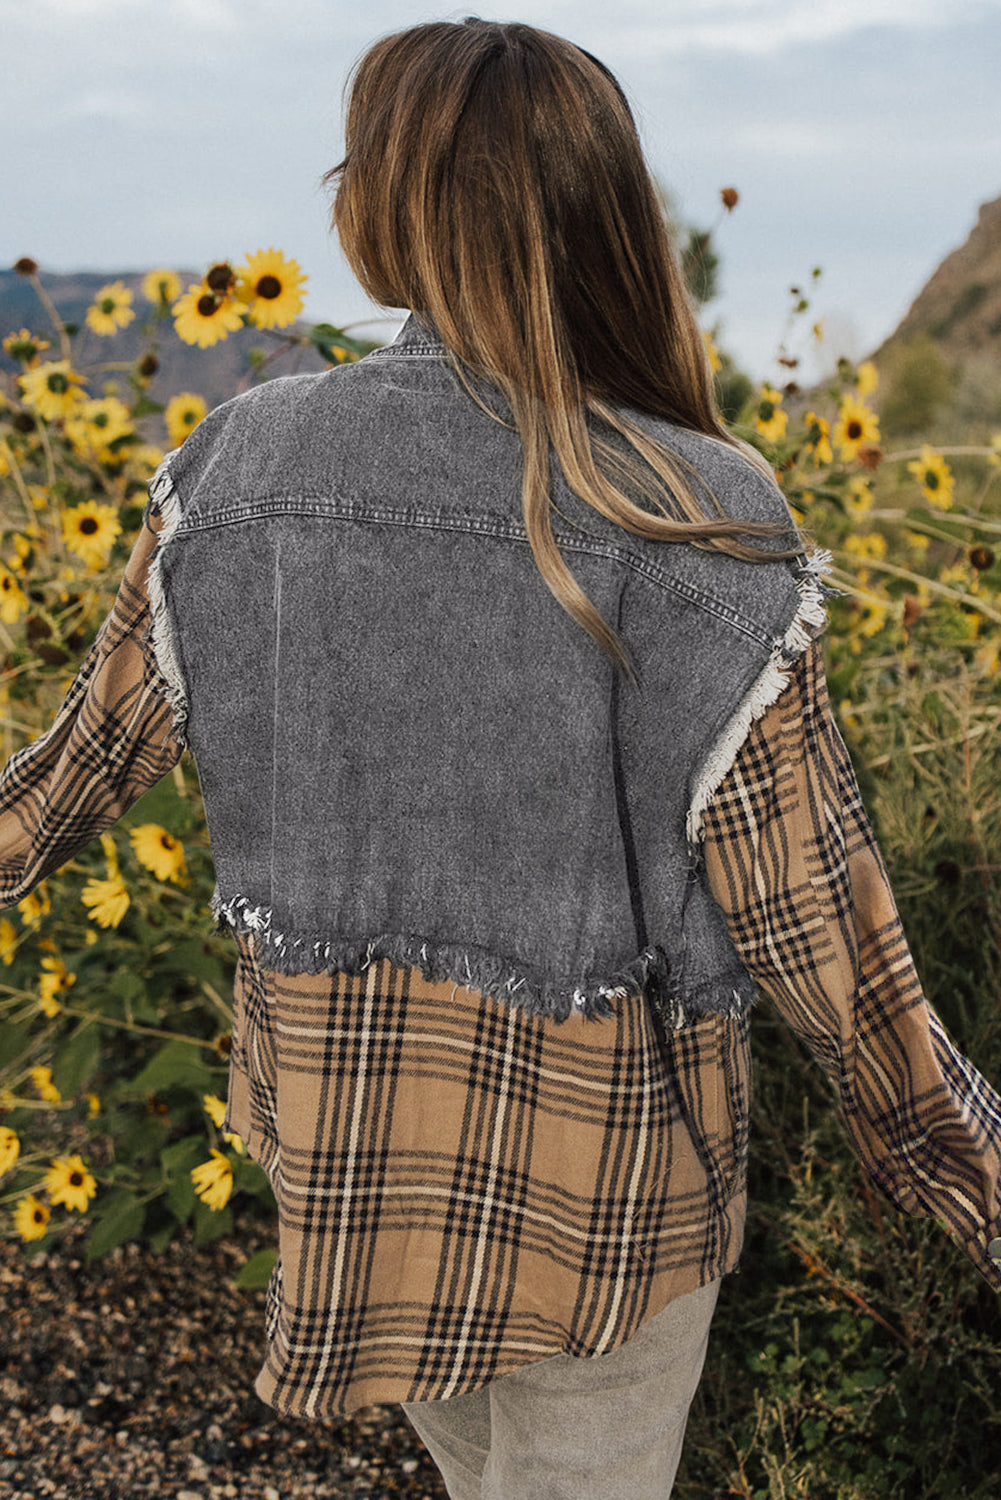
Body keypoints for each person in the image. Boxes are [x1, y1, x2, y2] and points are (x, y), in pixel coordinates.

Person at [2, 16, 999, 1499]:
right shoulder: (690, 505)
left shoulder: (240, 462)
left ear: (386, 210)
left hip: (342, 1141)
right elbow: (807, 913)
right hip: (608, 1183)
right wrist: (962, 1172)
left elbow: (72, 770)